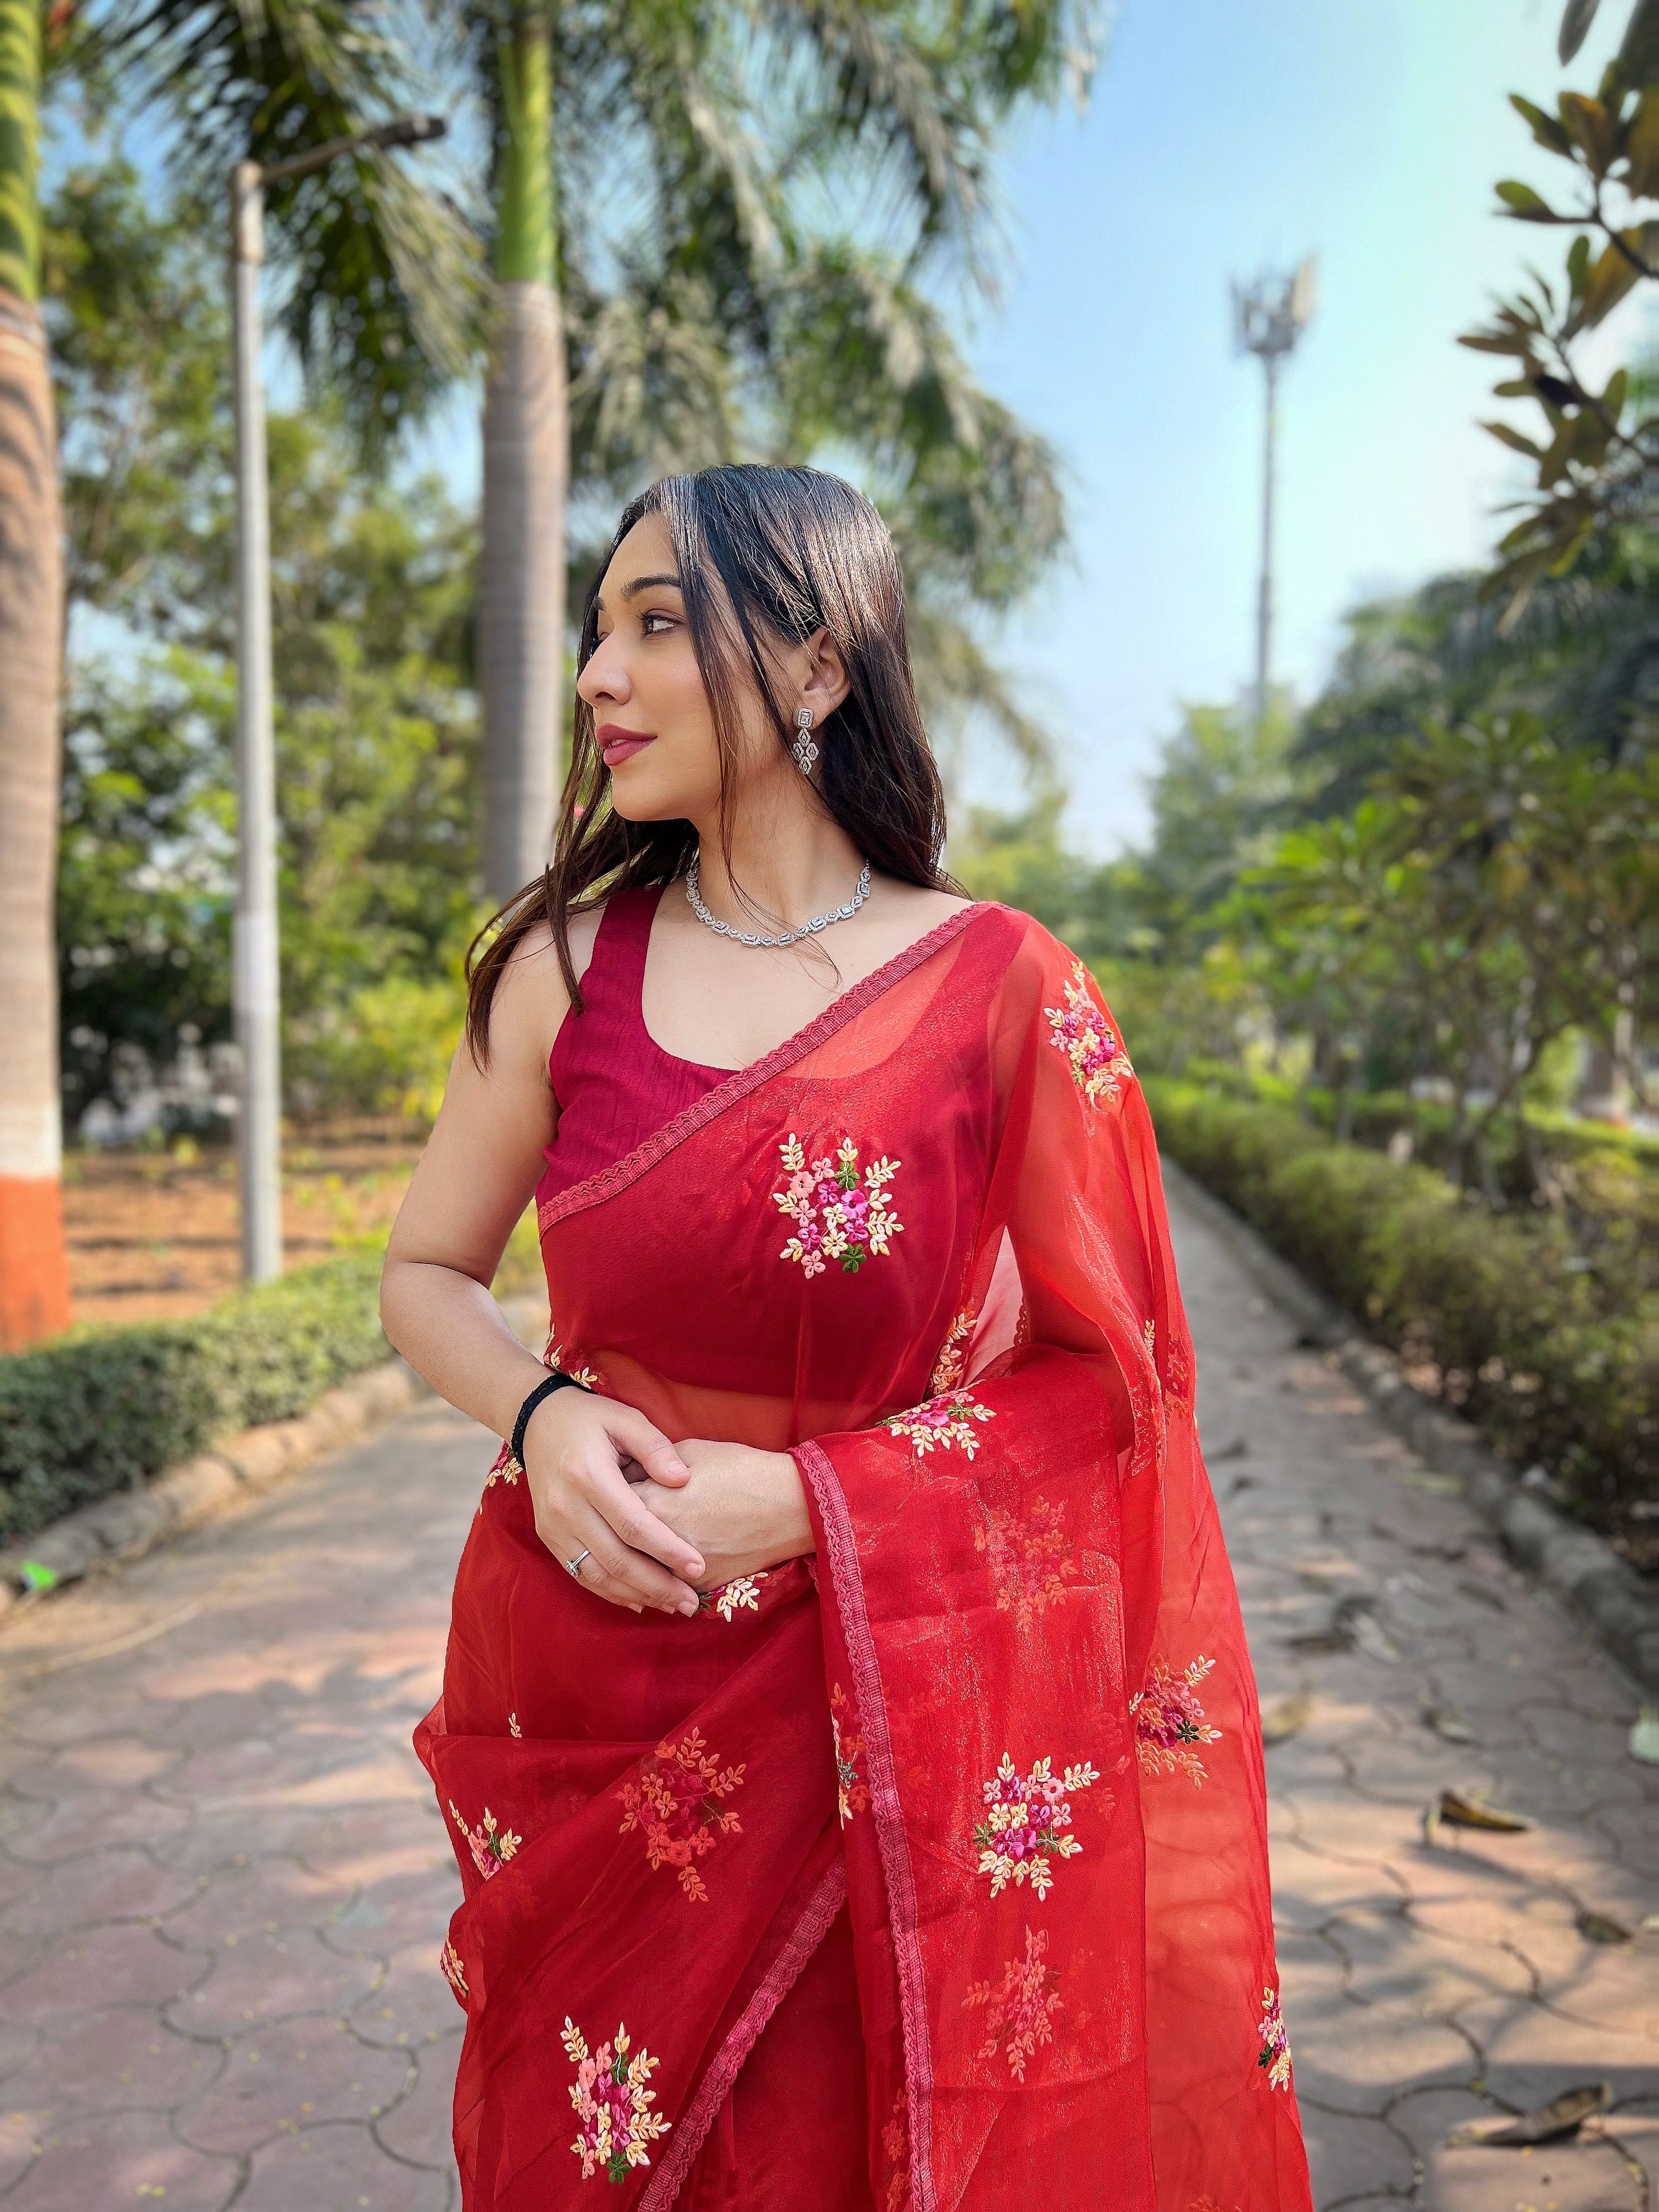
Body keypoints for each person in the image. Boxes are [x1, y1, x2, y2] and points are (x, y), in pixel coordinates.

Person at [381, 464, 1312, 2212]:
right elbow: (427, 1270)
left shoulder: (1002, 986)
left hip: (893, 1722)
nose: (600, 674)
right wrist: (542, 1415)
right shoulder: (559, 972)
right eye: (598, 628)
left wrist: (816, 1503)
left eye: (659, 623)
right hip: (598, 1686)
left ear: (817, 671)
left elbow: (1111, 1388)